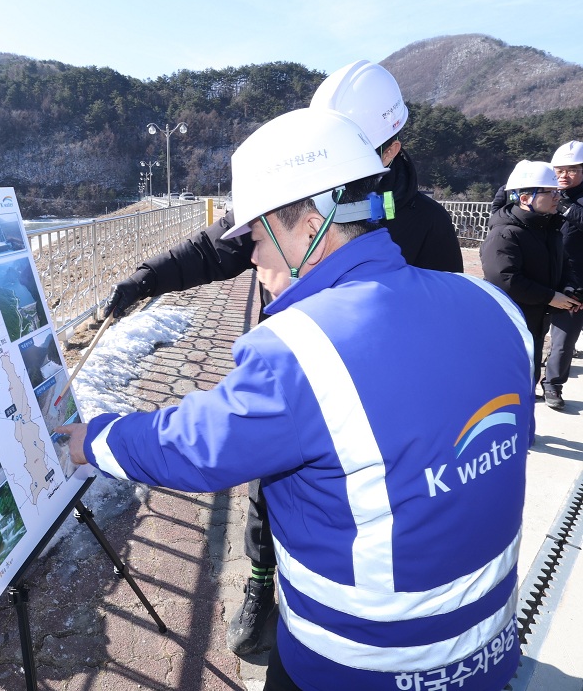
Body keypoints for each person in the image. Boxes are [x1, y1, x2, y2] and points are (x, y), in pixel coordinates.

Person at [60, 106, 532, 691]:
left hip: (359, 663)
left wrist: (95, 438)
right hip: (486, 651)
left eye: (257, 236)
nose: (251, 258)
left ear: (310, 225)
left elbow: (195, 447)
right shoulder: (496, 310)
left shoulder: (302, 347)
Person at [103, 60, 464, 657]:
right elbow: (217, 247)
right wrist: (145, 279)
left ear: (393, 144)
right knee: (269, 492)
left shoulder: (425, 223)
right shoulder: (298, 192)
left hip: (376, 413)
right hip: (296, 381)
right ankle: (261, 583)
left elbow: (440, 324)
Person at [480, 160, 580, 396]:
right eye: (550, 192)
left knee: (528, 376)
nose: (557, 197)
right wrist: (549, 297)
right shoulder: (505, 233)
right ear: (524, 198)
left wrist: (567, 287)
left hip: (536, 319)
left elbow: (564, 263)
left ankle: (524, 429)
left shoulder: (549, 229)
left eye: (557, 191)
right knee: (507, 379)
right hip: (511, 322)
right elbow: (505, 279)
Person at [541, 141, 583, 409]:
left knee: (564, 340)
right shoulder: (543, 189)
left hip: (575, 280)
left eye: (571, 170)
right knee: (529, 333)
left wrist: (563, 205)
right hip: (541, 275)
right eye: (559, 170)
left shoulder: (566, 200)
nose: (563, 176)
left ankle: (553, 385)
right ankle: (524, 381)